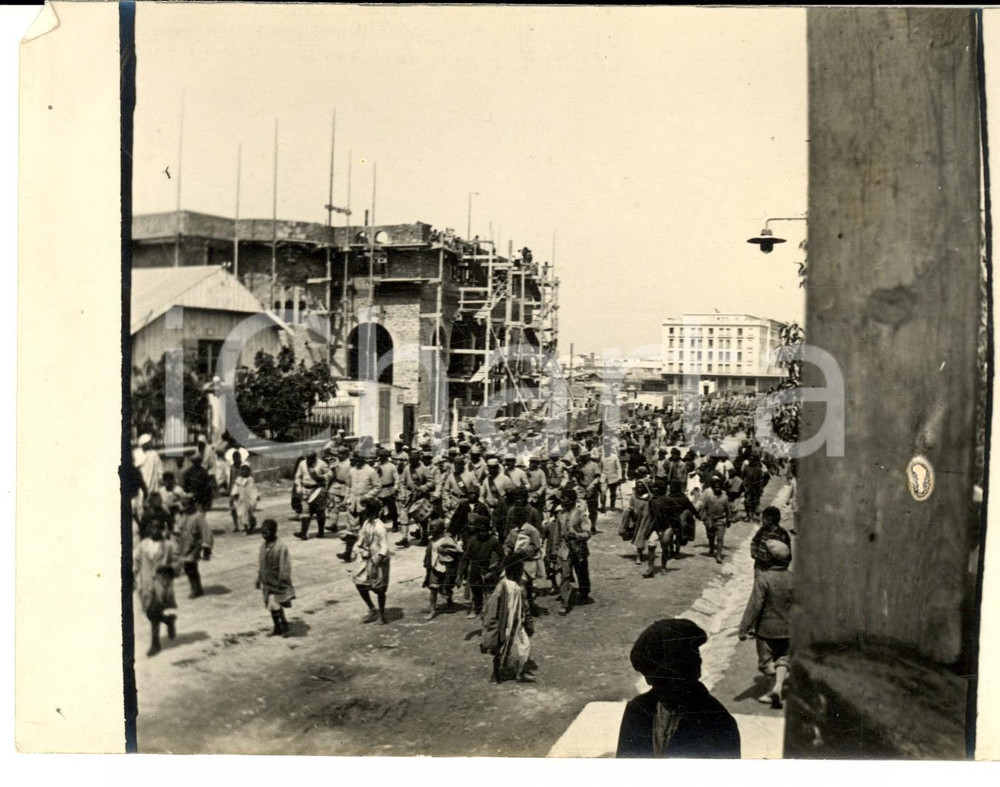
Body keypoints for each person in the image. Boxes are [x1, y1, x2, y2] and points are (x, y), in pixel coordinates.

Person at [617, 618, 740, 758]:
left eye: (665, 681)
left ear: (693, 671)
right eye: (650, 679)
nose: (652, 685)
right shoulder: (637, 710)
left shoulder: (718, 724)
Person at [739, 539, 794, 708]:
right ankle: (778, 686)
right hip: (789, 629)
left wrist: (744, 628)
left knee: (765, 662)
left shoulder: (764, 579)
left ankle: (773, 689)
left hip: (766, 630)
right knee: (783, 658)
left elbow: (755, 605)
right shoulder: (795, 578)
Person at [480, 555, 535, 683]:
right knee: (500, 649)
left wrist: (528, 622)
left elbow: (525, 606)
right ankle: (495, 674)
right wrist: (491, 627)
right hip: (504, 624)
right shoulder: (502, 587)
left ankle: (520, 673)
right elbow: (492, 608)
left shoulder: (520, 586)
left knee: (523, 647)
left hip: (517, 623)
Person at [134, 515, 180, 657]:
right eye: (152, 527)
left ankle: (155, 644)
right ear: (149, 528)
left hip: (162, 585)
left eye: (158, 528)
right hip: (146, 584)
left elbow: (178, 563)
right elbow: (136, 562)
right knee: (149, 612)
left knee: (153, 613)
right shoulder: (143, 545)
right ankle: (168, 620)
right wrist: (131, 576)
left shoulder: (169, 545)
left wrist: (168, 567)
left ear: (162, 529)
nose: (155, 530)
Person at [549, 487, 593, 616]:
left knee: (582, 572)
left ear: (572, 500)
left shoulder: (581, 513)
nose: (562, 501)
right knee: (565, 574)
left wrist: (577, 535)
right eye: (561, 499)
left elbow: (588, 533)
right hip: (565, 549)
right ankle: (565, 602)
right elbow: (557, 534)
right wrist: (554, 551)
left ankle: (584, 592)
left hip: (579, 549)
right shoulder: (560, 515)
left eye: (565, 499)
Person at [353, 497, 391, 625]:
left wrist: (377, 562)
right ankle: (372, 609)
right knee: (360, 583)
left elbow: (384, 546)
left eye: (367, 509)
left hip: (378, 560)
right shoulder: (366, 523)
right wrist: (358, 548)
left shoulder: (380, 527)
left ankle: (382, 615)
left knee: (379, 588)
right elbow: (361, 538)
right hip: (366, 558)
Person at [457, 514, 504, 619]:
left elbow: (503, 558)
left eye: (485, 531)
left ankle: (490, 612)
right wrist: (459, 574)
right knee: (475, 590)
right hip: (475, 568)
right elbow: (464, 558)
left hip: (488, 569)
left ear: (488, 530)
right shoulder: (472, 541)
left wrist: (494, 571)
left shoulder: (493, 541)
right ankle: (476, 609)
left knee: (490, 592)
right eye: (480, 531)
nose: (482, 533)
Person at [256, 519, 294, 638]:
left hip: (278, 581)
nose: (264, 535)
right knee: (272, 604)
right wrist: (259, 578)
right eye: (262, 532)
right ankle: (281, 625)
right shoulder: (263, 546)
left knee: (274, 604)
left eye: (266, 532)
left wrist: (282, 580)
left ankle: (281, 627)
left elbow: (285, 565)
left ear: (274, 532)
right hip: (267, 582)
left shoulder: (280, 547)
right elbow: (261, 563)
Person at [422, 519, 463, 620]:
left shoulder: (447, 540)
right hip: (435, 567)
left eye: (432, 528)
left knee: (446, 588)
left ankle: (450, 603)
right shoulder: (431, 539)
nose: (430, 530)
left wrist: (445, 551)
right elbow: (429, 553)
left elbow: (459, 551)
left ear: (440, 529)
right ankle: (432, 610)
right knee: (433, 588)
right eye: (429, 528)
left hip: (446, 568)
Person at [176, 491, 213, 598]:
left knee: (190, 565)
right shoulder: (184, 515)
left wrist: (207, 547)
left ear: (193, 504)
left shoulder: (198, 516)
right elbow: (180, 529)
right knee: (188, 567)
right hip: (185, 545)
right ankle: (196, 586)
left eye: (187, 504)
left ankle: (196, 589)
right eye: (184, 504)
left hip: (195, 545)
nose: (185, 506)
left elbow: (206, 532)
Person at [294, 452, 330, 540]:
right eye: (308, 458)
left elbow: (330, 474)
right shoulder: (302, 464)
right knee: (305, 510)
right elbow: (298, 476)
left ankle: (321, 531)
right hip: (306, 489)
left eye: (311, 459)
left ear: (315, 458)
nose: (309, 460)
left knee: (320, 511)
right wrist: (298, 487)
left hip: (317, 489)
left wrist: (321, 477)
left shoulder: (321, 463)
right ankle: (303, 532)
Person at [698, 476, 734, 564]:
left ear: (721, 487)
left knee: (720, 538)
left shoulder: (725, 498)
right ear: (713, 488)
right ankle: (711, 548)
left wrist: (729, 519)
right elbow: (704, 508)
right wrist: (704, 518)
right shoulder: (709, 497)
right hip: (710, 520)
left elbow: (728, 510)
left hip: (721, 521)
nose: (717, 489)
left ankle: (718, 555)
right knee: (711, 536)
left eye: (719, 487)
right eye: (715, 487)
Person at [750, 506, 792, 574]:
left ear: (769, 520)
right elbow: (755, 541)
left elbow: (787, 553)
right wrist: (754, 553)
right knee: (759, 581)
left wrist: (782, 565)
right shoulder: (762, 530)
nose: (762, 521)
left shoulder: (782, 534)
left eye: (763, 519)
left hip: (773, 568)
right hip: (759, 565)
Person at [577, 452, 602, 534]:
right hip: (581, 488)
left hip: (592, 488)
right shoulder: (579, 465)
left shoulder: (594, 465)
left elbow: (597, 477)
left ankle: (593, 526)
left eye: (584, 457)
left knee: (593, 509)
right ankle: (581, 527)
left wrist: (591, 486)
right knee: (580, 509)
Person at [231, 463, 260, 535]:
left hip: (248, 499)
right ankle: (247, 526)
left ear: (249, 471)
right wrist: (234, 494)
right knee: (241, 514)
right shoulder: (238, 479)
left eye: (246, 470)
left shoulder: (250, 479)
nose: (244, 472)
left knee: (247, 514)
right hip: (240, 500)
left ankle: (248, 527)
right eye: (243, 470)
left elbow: (253, 489)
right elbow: (236, 488)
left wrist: (256, 495)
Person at [601, 443, 623, 512]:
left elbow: (619, 468)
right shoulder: (602, 457)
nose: (607, 450)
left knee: (613, 493)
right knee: (603, 492)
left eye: (608, 448)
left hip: (613, 477)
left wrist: (619, 477)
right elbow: (600, 467)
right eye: (605, 448)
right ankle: (603, 506)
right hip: (604, 477)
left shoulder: (614, 457)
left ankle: (612, 506)